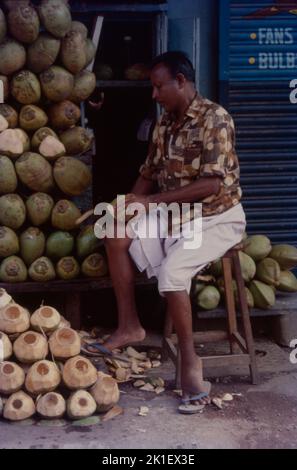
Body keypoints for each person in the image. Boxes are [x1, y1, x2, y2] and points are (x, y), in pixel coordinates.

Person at [91, 51, 246, 413]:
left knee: (174, 273)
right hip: (175, 214)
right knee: (115, 232)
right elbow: (148, 172)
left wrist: (152, 202)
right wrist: (132, 203)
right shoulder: (165, 124)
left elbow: (210, 186)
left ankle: (190, 364)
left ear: (181, 81)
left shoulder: (216, 119)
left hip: (217, 216)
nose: (154, 95)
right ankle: (130, 326)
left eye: (159, 87)